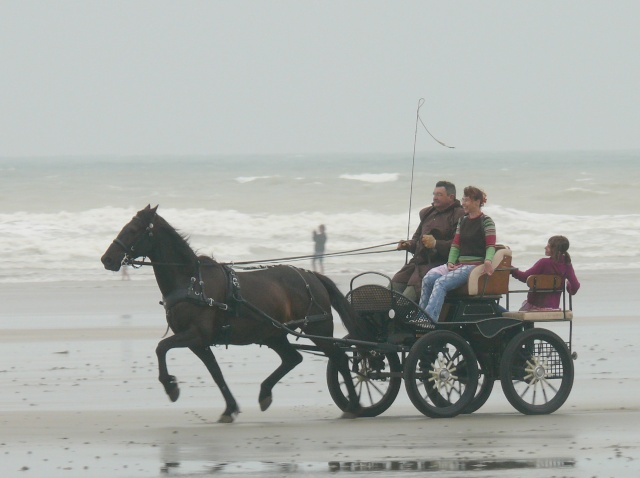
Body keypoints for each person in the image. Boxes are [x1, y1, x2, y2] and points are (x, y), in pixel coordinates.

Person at [418, 186, 496, 322]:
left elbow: (490, 246)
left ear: (477, 202)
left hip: (474, 265)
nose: (463, 203)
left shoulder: (486, 221)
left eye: (466, 200)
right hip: (460, 264)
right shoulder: (463, 220)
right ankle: (421, 316)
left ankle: (430, 319)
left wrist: (488, 261)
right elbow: (455, 245)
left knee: (441, 283)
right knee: (428, 278)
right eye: (463, 199)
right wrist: (451, 262)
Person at [391, 181, 464, 301]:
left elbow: (458, 245)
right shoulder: (428, 213)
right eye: (434, 194)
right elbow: (416, 240)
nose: (435, 197)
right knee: (391, 290)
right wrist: (408, 245)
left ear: (451, 197)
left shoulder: (459, 215)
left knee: (405, 300)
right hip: (417, 264)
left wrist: (436, 244)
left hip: (437, 264)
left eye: (439, 195)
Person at [511, 235, 580, 311]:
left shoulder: (543, 262)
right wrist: (569, 287)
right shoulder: (567, 264)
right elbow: (575, 285)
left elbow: (525, 278)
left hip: (535, 306)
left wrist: (511, 270)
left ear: (555, 250)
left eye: (548, 246)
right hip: (554, 308)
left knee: (520, 316)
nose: (545, 247)